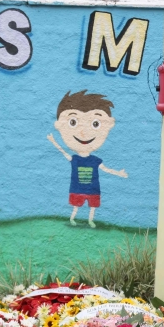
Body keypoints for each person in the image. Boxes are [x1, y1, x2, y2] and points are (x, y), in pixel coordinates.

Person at [46, 90, 128, 229]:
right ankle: (72, 220)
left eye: (96, 123)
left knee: (92, 207)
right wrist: (54, 141)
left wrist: (118, 173)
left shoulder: (95, 160)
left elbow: (105, 169)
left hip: (93, 190)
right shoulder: (75, 159)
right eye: (73, 122)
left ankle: (91, 221)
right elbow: (63, 152)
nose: (83, 133)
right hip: (77, 188)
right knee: (76, 207)